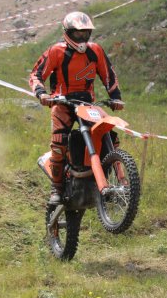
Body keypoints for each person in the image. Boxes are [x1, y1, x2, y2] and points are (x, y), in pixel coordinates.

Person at [29, 11, 124, 204]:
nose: (81, 37)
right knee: (59, 142)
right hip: (61, 103)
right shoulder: (56, 51)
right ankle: (56, 188)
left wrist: (115, 97)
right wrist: (41, 94)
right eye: (77, 33)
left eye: (85, 33)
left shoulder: (95, 50)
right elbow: (36, 74)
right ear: (67, 32)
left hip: (87, 103)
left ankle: (121, 183)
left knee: (108, 135)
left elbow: (109, 74)